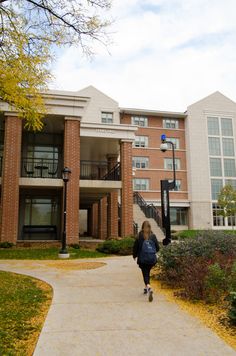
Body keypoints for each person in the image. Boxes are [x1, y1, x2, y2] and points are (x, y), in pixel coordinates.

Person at [133, 221, 159, 302]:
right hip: (151, 259)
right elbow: (157, 248)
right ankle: (146, 288)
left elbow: (135, 247)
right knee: (147, 273)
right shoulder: (153, 236)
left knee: (145, 274)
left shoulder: (139, 236)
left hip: (142, 259)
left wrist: (134, 255)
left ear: (142, 226)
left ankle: (149, 287)